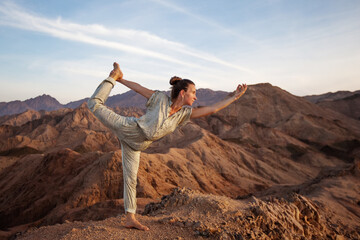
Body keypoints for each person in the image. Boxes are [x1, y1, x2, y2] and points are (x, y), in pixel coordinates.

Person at [88, 62, 247, 231]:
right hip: (129, 128)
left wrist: (234, 96)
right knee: (94, 104)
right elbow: (139, 88)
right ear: (182, 92)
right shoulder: (159, 98)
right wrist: (119, 79)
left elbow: (213, 109)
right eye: (193, 93)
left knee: (131, 180)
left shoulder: (183, 115)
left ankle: (130, 218)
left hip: (136, 146)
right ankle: (111, 77)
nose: (196, 97)